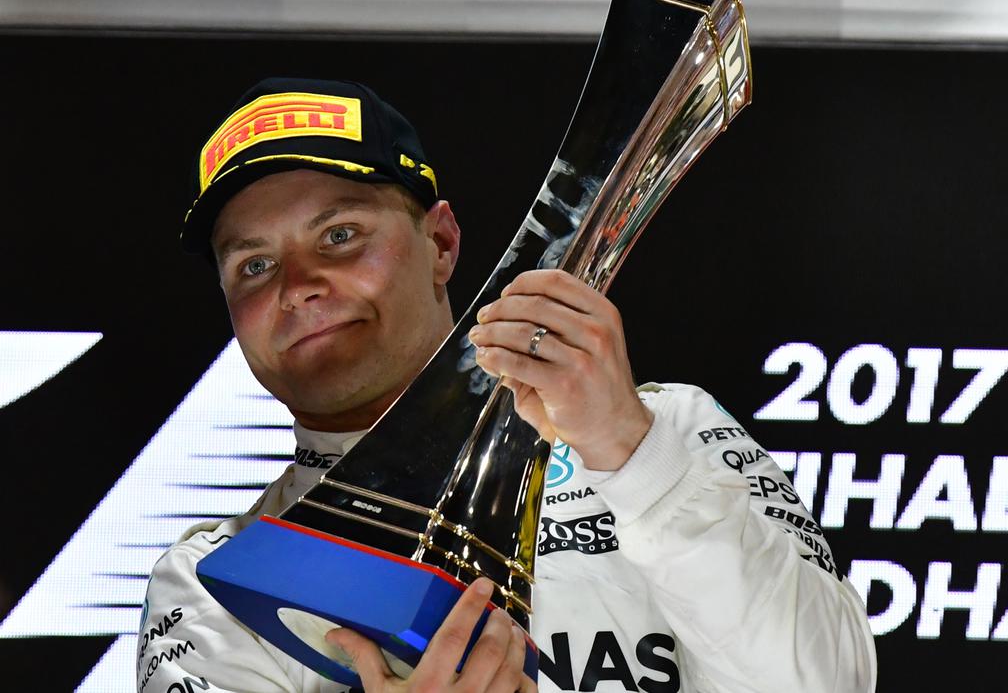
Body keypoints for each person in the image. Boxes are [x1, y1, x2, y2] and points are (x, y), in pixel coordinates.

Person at [138, 77, 877, 693]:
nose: (298, 286)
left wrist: (631, 454)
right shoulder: (212, 585)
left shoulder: (669, 431)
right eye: (254, 266)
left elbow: (827, 683)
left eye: (340, 235)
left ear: (443, 243)